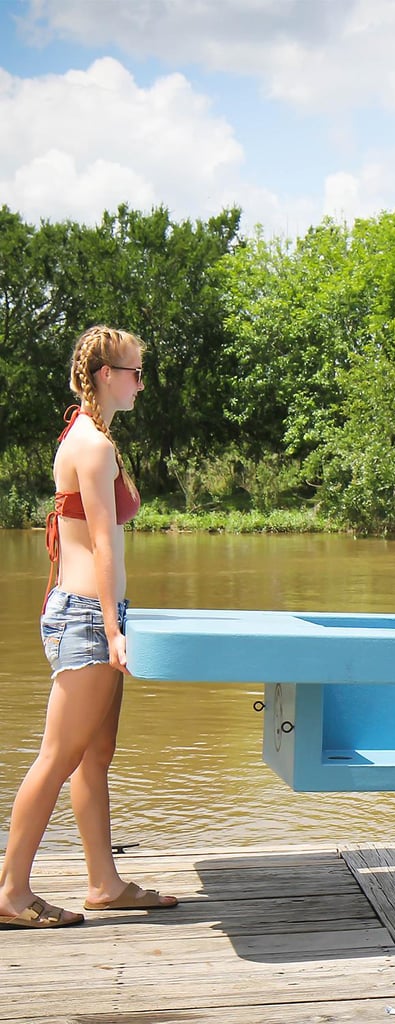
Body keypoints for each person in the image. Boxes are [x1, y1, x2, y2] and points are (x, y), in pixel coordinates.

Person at [0, 326, 177, 928]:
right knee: (58, 755)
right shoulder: (94, 447)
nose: (140, 382)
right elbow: (102, 544)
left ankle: (104, 884)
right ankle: (11, 892)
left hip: (86, 612)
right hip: (86, 617)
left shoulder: (84, 435)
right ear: (106, 374)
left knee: (94, 754)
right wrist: (113, 629)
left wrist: (115, 621)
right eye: (133, 372)